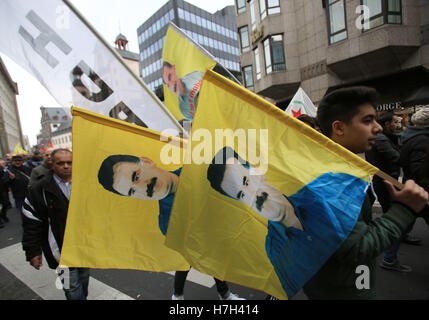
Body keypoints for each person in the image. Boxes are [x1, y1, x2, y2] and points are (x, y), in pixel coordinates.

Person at [301, 86, 428, 299]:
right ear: (339, 128)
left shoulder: (339, 169)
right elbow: (357, 249)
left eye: (376, 120)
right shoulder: (333, 181)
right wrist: (403, 210)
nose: (378, 128)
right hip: (345, 290)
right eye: (368, 121)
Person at [97, 154, 244, 300]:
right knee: (187, 263)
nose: (144, 187)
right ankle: (180, 295)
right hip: (199, 243)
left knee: (210, 261)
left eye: (136, 176)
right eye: (132, 191)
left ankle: (222, 295)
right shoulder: (166, 220)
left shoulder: (199, 171)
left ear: (147, 161)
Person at [22, 149, 90, 300]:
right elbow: (31, 222)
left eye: (69, 162)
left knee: (84, 280)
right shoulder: (39, 189)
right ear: (52, 164)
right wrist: (33, 251)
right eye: (60, 163)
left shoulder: (85, 184)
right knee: (71, 288)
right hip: (60, 251)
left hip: (83, 247)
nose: (66, 166)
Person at [207, 146, 303, 230]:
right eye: (241, 195)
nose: (254, 196)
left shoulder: (313, 195)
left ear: (255, 171)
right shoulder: (277, 250)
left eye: (246, 181)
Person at [365, 112, 413, 272]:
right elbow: (396, 157)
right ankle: (389, 256)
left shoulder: (385, 137)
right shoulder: (380, 139)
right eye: (367, 121)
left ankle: (396, 239)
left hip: (385, 179)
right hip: (383, 180)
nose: (396, 124)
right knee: (393, 213)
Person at [400, 107, 429, 218]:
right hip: (418, 187)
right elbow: (418, 169)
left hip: (413, 184)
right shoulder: (422, 140)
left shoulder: (412, 136)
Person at [0, 159, 11, 225]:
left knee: (5, 203)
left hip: (2, 189)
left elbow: (4, 175)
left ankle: (3, 215)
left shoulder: (1, 168)